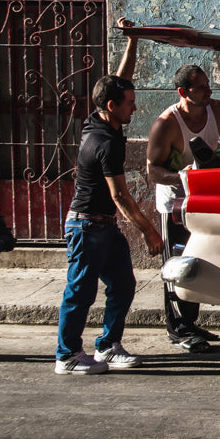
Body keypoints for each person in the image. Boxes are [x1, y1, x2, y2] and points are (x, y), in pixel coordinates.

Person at [55, 29, 164, 375]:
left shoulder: (99, 120)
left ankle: (107, 345)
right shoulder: (106, 142)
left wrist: (133, 41)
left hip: (103, 226)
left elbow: (121, 78)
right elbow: (119, 195)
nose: (135, 106)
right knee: (80, 293)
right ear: (112, 106)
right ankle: (67, 355)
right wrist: (148, 230)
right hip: (87, 227)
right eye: (130, 103)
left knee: (123, 284)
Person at [141, 48, 220, 352]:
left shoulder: (217, 110)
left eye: (209, 86)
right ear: (183, 91)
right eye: (201, 88)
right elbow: (153, 171)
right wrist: (184, 178)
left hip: (203, 202)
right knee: (177, 264)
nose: (209, 92)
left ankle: (191, 323)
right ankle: (179, 329)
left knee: (198, 263)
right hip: (175, 206)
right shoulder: (166, 124)